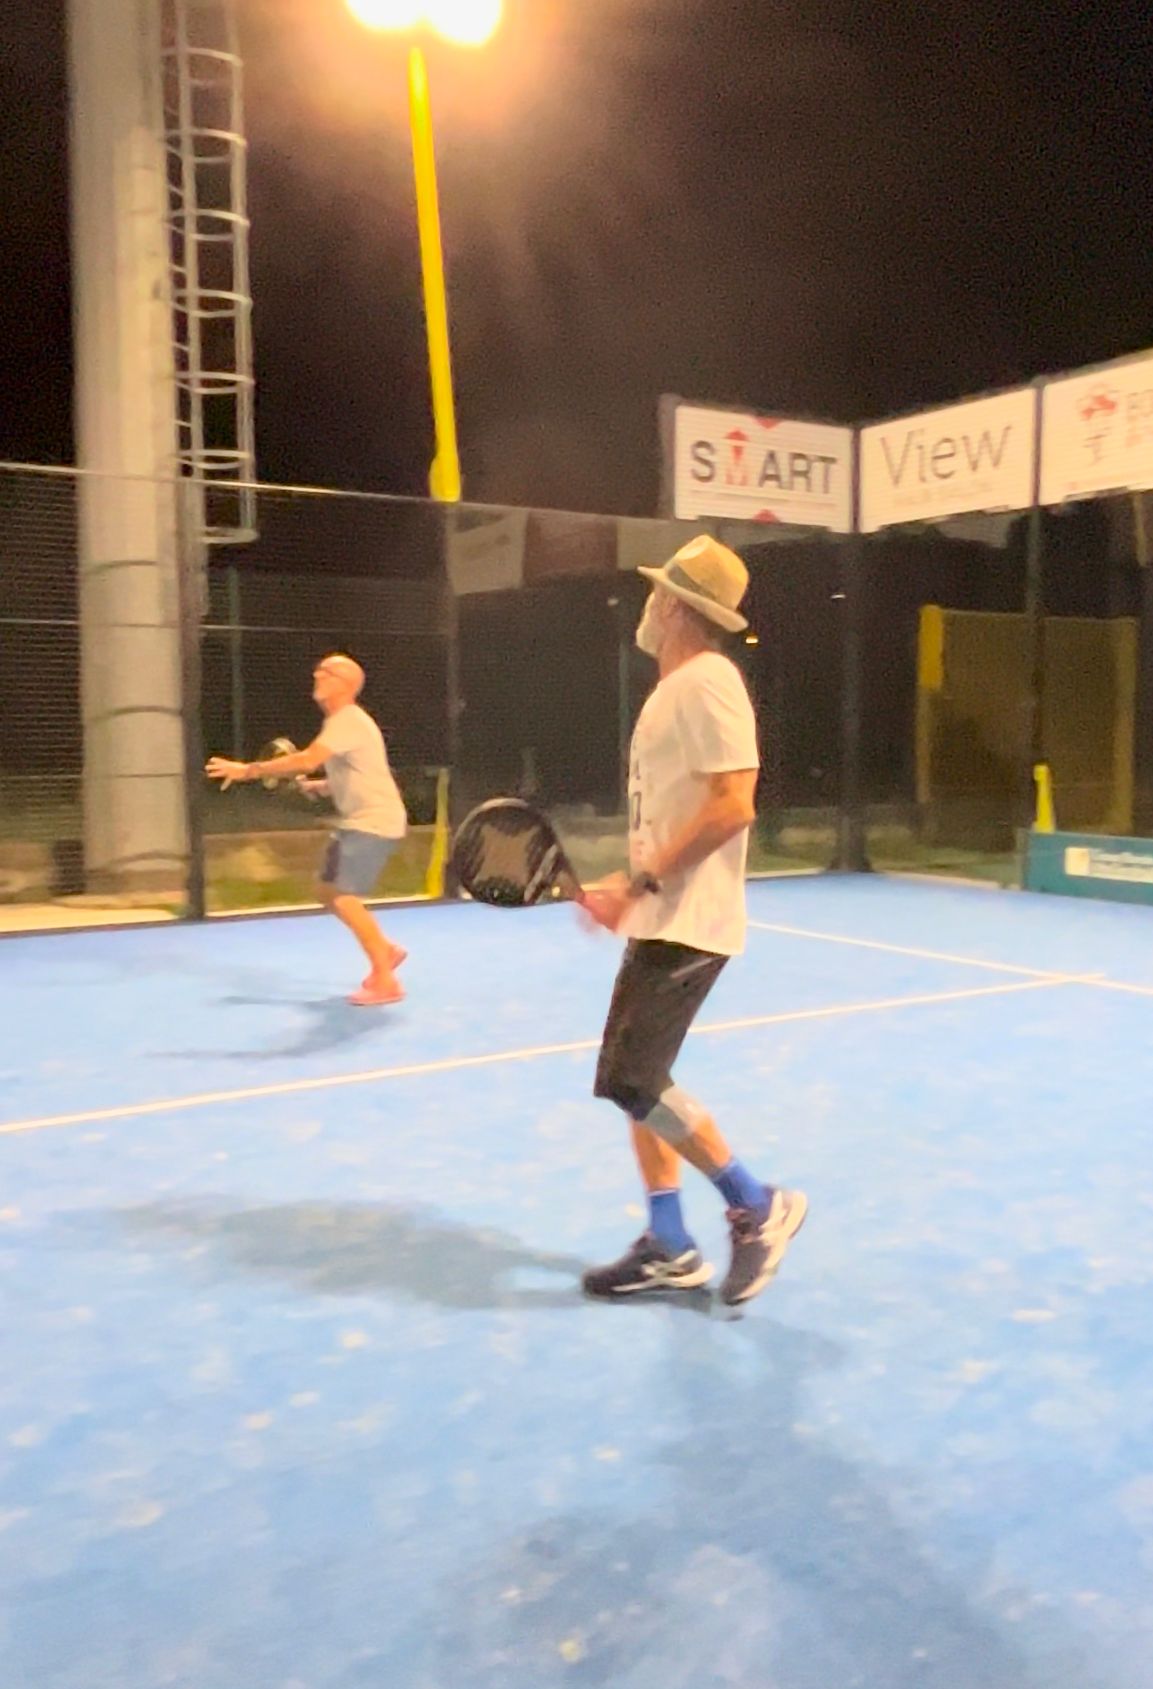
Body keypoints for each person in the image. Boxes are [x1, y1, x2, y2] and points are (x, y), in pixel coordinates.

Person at [581, 535, 807, 1305]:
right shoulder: (675, 688)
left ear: (675, 606)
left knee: (633, 1078)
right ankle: (669, 1242)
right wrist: (628, 885)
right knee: (635, 1082)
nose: (647, 604)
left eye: (656, 592)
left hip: (691, 921)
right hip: (661, 913)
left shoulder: (711, 680)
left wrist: (642, 880)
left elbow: (733, 804)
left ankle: (756, 1204)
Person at [206, 654, 409, 1006]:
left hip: (374, 821)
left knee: (342, 895)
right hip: (365, 819)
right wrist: (322, 786)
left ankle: (385, 979)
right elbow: (361, 771)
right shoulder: (343, 723)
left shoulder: (347, 720)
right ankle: (385, 950)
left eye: (326, 672)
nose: (317, 674)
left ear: (346, 683)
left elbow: (306, 759)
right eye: (318, 670)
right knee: (326, 889)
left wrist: (247, 770)